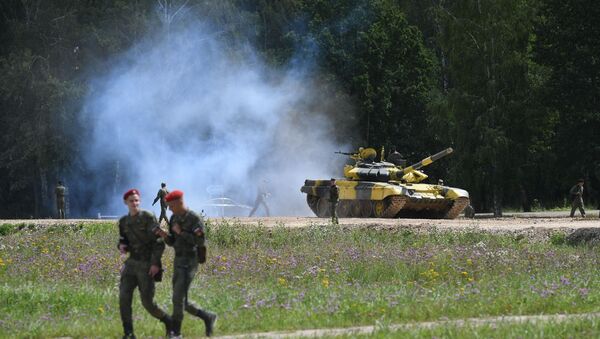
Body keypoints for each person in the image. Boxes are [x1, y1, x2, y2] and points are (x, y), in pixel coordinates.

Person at [154, 190, 217, 337]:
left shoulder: (194, 219)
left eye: (170, 205)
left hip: (190, 261)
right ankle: (207, 317)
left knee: (177, 297)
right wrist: (163, 234)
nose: (168, 208)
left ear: (179, 202)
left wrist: (182, 232)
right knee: (183, 301)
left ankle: (175, 332)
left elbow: (200, 241)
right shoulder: (174, 218)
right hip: (178, 260)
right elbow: (172, 241)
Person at [117, 189, 172, 338]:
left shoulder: (148, 218)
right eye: (131, 201)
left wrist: (155, 264)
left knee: (147, 303)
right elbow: (123, 240)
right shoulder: (123, 222)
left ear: (139, 201)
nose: (134, 203)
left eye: (136, 200)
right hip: (131, 263)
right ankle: (128, 333)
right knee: (123, 297)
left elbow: (159, 242)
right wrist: (121, 246)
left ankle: (168, 322)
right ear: (126, 203)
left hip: (147, 264)